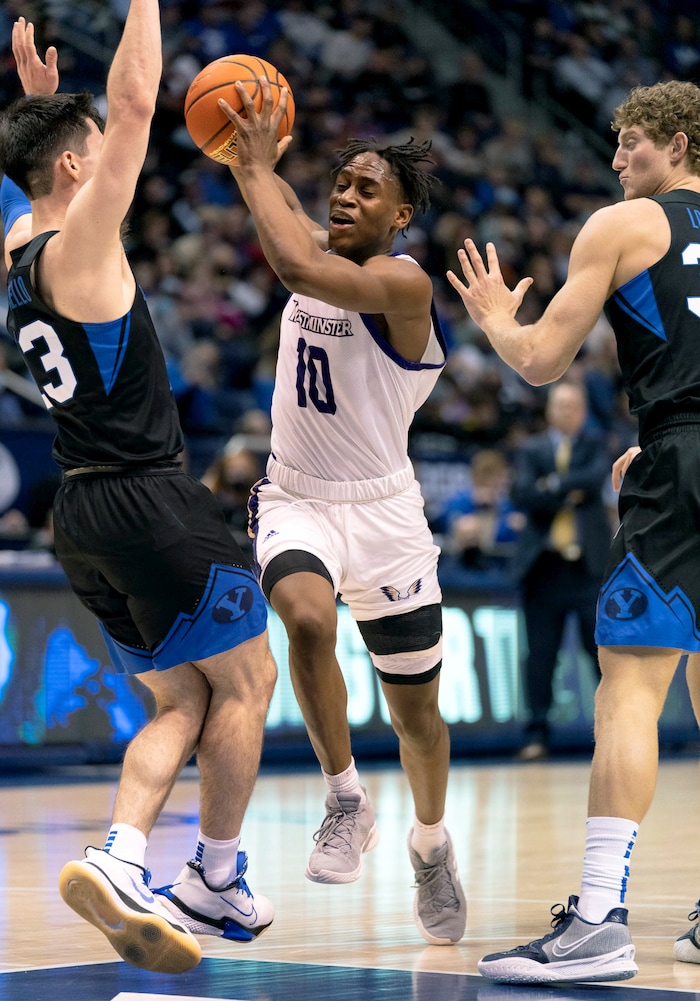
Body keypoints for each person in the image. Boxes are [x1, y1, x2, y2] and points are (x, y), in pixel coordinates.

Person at [0, 10, 277, 975]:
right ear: (77, 172)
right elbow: (132, 102)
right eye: (89, 156)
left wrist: (37, 115)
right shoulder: (80, 243)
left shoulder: (18, 258)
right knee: (249, 680)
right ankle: (214, 872)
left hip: (79, 510)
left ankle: (120, 855)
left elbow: (20, 183)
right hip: (149, 496)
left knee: (180, 702)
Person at [446, 78, 700, 982]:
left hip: (680, 466)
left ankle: (598, 920)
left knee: (626, 692)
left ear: (676, 142)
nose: (618, 158)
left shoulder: (623, 223)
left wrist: (494, 321)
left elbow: (542, 360)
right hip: (677, 446)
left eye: (631, 141)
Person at [218, 79, 466, 945]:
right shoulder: (319, 240)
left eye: (369, 188)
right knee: (307, 621)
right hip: (298, 499)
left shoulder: (402, 282)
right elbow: (289, 219)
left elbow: (292, 264)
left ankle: (430, 844)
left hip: (387, 516)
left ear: (402, 219)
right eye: (343, 182)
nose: (347, 194)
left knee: (418, 720)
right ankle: (345, 797)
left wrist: (253, 173)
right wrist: (254, 148)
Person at [510, 380, 611, 761]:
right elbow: (522, 492)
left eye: (573, 407)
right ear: (550, 410)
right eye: (560, 406)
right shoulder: (531, 449)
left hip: (588, 569)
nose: (566, 413)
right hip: (544, 569)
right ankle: (536, 734)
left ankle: (612, 731)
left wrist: (550, 484)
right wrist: (567, 490)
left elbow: (595, 477)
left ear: (582, 413)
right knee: (540, 657)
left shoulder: (595, 446)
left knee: (599, 654)